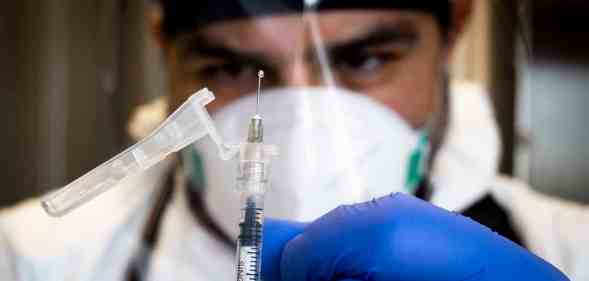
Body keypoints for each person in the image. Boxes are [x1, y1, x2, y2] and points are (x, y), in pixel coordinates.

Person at [0, 1, 585, 280]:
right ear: (164, 49)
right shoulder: (29, 257)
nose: (301, 124)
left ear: (454, 29)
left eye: (364, 59)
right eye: (229, 67)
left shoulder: (573, 250)